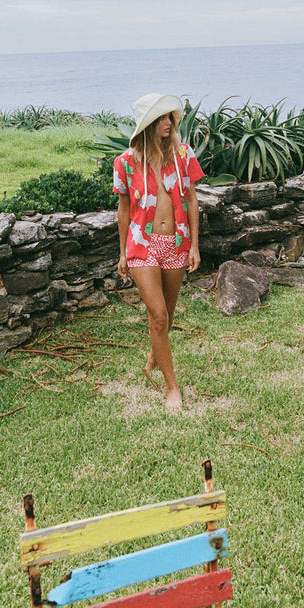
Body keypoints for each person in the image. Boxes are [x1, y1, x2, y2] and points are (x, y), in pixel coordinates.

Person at [113, 93, 204, 412]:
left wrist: (194, 244)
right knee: (159, 315)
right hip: (142, 245)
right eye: (162, 118)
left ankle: (156, 348)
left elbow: (192, 200)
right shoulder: (124, 163)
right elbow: (123, 208)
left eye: (171, 118)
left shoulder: (183, 154)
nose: (169, 123)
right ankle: (172, 388)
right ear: (148, 126)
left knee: (168, 311)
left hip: (176, 242)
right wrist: (123, 252)